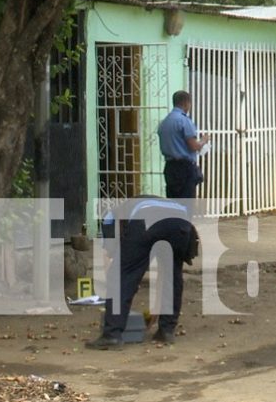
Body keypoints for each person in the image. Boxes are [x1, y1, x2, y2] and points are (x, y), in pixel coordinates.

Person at [85, 198, 199, 350]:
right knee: (172, 274)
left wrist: (116, 288)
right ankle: (167, 330)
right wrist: (157, 307)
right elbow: (163, 275)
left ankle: (112, 335)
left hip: (148, 219)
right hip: (181, 224)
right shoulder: (140, 204)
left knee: (120, 274)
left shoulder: (110, 217)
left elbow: (109, 258)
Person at [157, 90, 209, 199]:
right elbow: (194, 146)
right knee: (186, 204)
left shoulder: (164, 122)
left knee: (173, 203)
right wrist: (204, 140)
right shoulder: (184, 121)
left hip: (170, 167)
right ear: (186, 103)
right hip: (184, 169)